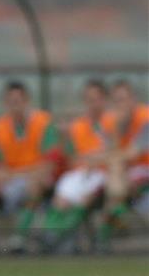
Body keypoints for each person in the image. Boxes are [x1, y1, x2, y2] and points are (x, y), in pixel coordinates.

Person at [0, 81, 59, 253]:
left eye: (18, 101)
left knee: (35, 184)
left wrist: (14, 174)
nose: (15, 106)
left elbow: (48, 165)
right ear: (5, 104)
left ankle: (20, 239)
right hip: (9, 180)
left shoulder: (44, 123)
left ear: (27, 101)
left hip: (32, 179)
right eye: (10, 102)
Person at [43, 80, 112, 252]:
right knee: (62, 197)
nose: (93, 103)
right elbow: (72, 157)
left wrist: (94, 159)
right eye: (89, 99)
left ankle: (66, 236)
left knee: (85, 196)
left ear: (104, 100)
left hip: (104, 172)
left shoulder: (113, 122)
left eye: (96, 99)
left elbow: (115, 153)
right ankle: (51, 235)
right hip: (81, 171)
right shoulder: (78, 126)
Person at [97, 80, 149, 251]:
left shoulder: (145, 118)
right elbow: (106, 152)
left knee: (116, 168)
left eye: (124, 99)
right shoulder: (111, 121)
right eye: (117, 100)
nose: (121, 104)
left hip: (144, 168)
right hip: (121, 174)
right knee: (115, 170)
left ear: (133, 99)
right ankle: (114, 216)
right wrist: (118, 128)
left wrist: (112, 157)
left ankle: (104, 235)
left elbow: (134, 153)